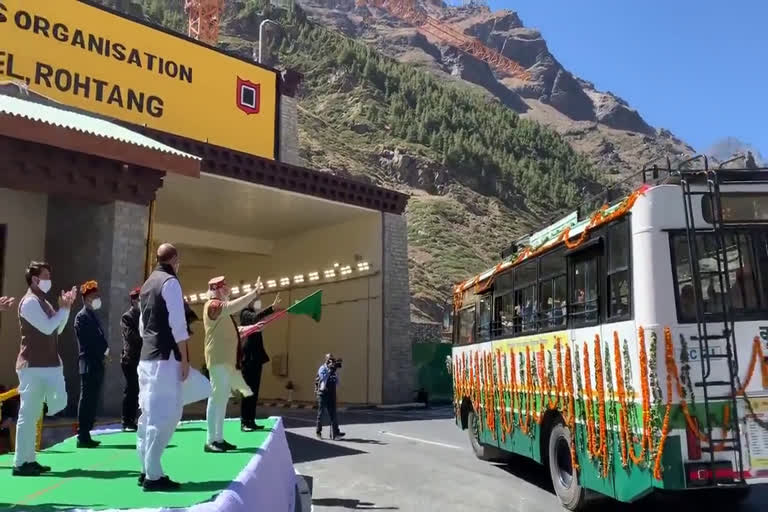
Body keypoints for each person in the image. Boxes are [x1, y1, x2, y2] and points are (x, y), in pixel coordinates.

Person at [13, 261, 77, 476]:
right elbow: (48, 326)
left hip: (47, 365)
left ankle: (29, 459)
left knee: (39, 413)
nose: (50, 280)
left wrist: (66, 308)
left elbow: (57, 328)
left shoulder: (44, 302)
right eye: (46, 276)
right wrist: (62, 309)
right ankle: (22, 462)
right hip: (32, 366)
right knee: (28, 415)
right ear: (35, 279)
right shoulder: (29, 303)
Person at [136, 243, 190, 491]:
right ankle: (153, 476)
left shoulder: (147, 284)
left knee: (147, 416)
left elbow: (142, 325)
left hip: (146, 358)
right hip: (164, 358)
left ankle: (145, 469)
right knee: (168, 414)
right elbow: (178, 324)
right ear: (174, 259)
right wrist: (185, 359)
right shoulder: (170, 282)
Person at [203, 276, 261, 452]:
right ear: (217, 289)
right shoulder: (213, 305)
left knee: (221, 401)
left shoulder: (222, 311)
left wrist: (253, 327)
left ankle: (218, 438)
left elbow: (235, 331)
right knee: (216, 400)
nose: (228, 290)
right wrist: (253, 294)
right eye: (225, 288)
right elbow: (230, 307)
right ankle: (211, 440)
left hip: (226, 360)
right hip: (219, 359)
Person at [74, 280, 109, 448]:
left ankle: (87, 432)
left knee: (92, 399)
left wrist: (105, 351)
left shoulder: (93, 315)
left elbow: (100, 337)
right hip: (88, 362)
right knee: (87, 399)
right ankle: (82, 434)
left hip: (96, 362)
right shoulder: (82, 317)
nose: (98, 299)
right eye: (95, 296)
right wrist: (103, 350)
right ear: (87, 298)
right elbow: (89, 341)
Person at [239, 292, 281, 431]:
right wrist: (271, 308)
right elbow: (255, 318)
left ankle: (251, 421)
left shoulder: (254, 315)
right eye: (254, 299)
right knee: (248, 392)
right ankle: (244, 422)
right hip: (248, 358)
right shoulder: (245, 313)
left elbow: (258, 319)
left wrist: (269, 313)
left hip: (256, 357)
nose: (257, 301)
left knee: (254, 392)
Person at [120, 287, 142, 432]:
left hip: (143, 359)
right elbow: (132, 337)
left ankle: (135, 419)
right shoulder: (127, 317)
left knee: (139, 390)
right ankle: (127, 421)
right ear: (134, 301)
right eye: (140, 299)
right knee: (132, 390)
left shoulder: (145, 315)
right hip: (131, 359)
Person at [315, 353, 345, 440]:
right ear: (326, 360)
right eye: (330, 359)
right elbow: (323, 378)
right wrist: (329, 370)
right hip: (323, 394)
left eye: (332, 359)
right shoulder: (322, 368)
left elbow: (337, 382)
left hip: (332, 394)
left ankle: (335, 433)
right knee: (321, 414)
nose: (331, 361)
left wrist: (335, 369)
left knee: (333, 414)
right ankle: (318, 432)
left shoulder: (333, 370)